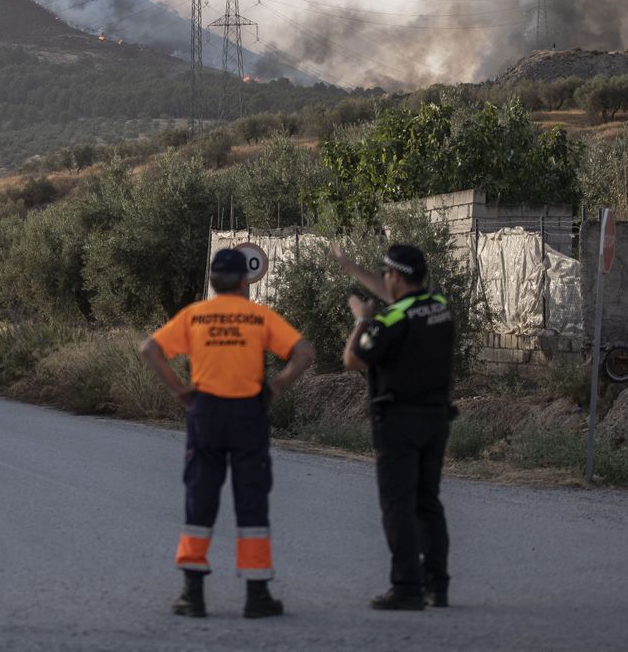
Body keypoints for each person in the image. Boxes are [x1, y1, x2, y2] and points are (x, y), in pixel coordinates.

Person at [139, 248, 315, 619]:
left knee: (199, 499)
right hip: (249, 413)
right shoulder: (258, 316)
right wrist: (278, 386)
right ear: (242, 280)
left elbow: (150, 348)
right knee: (251, 500)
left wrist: (178, 388)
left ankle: (193, 594)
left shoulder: (194, 315)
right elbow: (303, 352)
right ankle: (256, 596)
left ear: (214, 281)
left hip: (205, 413)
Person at [329, 242, 455, 611]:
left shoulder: (389, 322)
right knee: (427, 502)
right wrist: (349, 265)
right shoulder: (439, 307)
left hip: (399, 421)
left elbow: (353, 360)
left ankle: (406, 587)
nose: (384, 281)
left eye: (386, 274)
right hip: (436, 417)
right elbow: (397, 298)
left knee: (398, 505)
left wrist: (361, 320)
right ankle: (438, 585)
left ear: (396, 276)